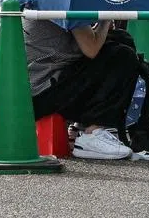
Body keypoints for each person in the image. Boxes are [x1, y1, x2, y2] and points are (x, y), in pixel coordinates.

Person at [24, 15, 139, 160]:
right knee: (123, 55)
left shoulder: (41, 1)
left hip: (29, 88)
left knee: (119, 39)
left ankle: (81, 125)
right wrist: (106, 19)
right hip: (42, 92)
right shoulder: (67, 6)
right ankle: (93, 133)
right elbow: (91, 49)